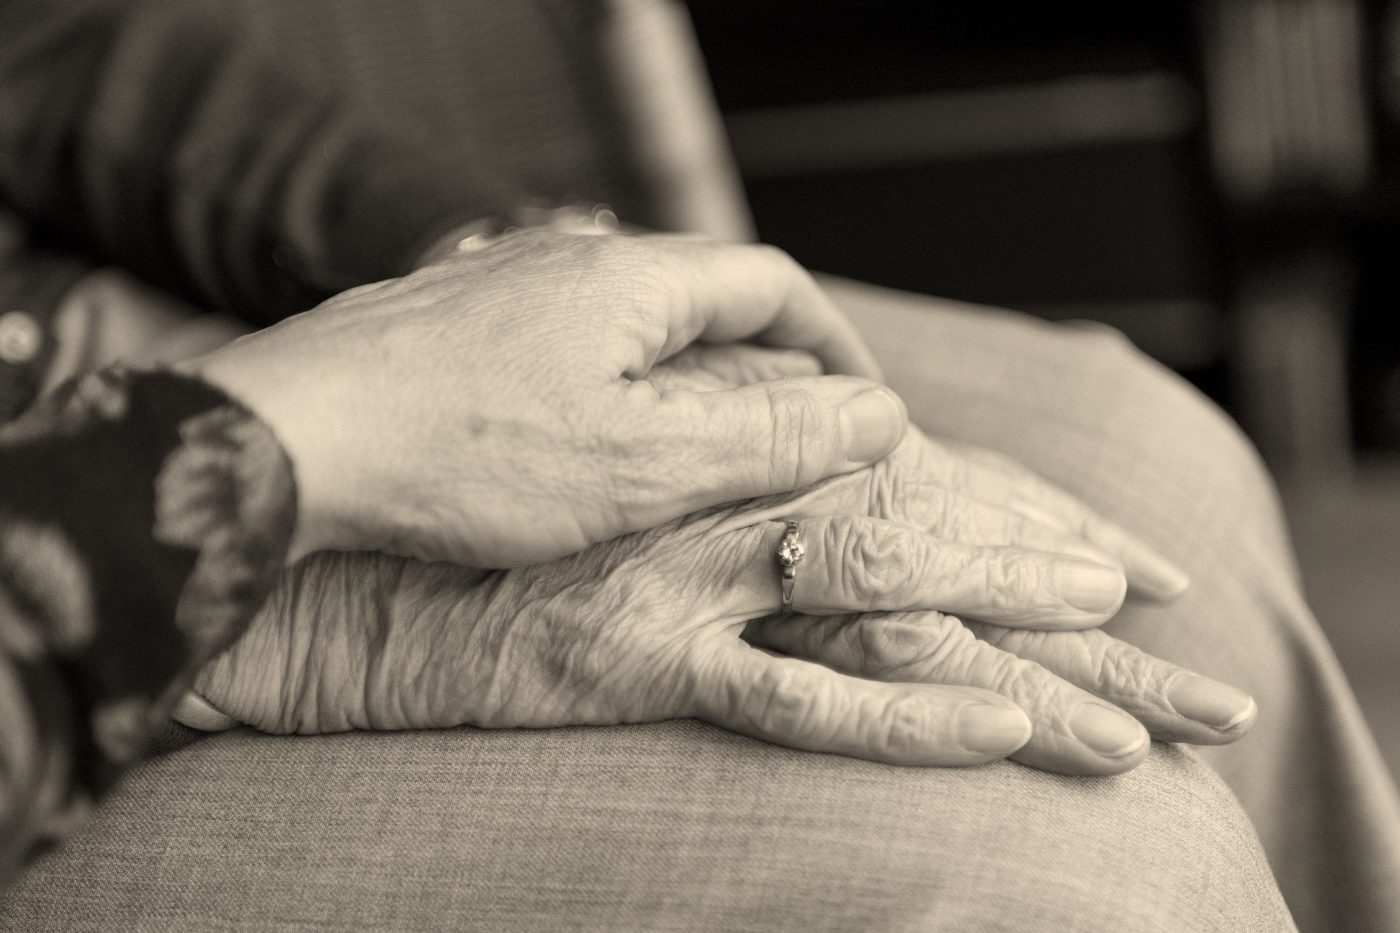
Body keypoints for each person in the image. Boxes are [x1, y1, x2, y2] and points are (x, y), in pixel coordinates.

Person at [0, 1, 1396, 931]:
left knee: (1148, 472)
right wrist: (290, 510)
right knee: (1087, 867)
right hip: (58, 649)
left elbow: (45, 44)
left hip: (100, 322)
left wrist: (480, 273)